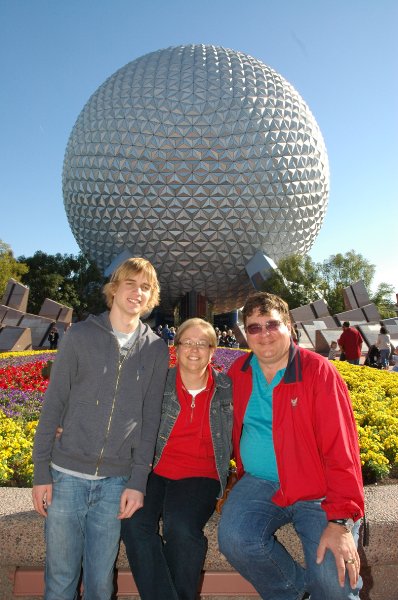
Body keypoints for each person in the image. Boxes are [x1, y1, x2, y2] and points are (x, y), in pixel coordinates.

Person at [31, 257, 169, 600]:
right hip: (66, 476)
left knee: (100, 583)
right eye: (130, 284)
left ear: (151, 297)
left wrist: (138, 481)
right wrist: (40, 472)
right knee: (60, 580)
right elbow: (54, 405)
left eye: (145, 287)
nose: (137, 293)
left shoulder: (155, 349)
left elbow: (150, 419)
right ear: (114, 288)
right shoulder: (79, 336)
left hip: (115, 483)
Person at [218, 292, 364, 600]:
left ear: (289, 326)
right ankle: (295, 591)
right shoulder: (238, 373)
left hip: (318, 490)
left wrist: (340, 520)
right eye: (254, 327)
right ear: (246, 334)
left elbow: (343, 449)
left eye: (272, 324)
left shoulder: (318, 372)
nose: (264, 334)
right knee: (235, 538)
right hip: (261, 483)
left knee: (333, 584)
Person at [121, 318, 233, 600]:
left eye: (202, 344)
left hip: (201, 474)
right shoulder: (158, 382)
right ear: (176, 346)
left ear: (212, 350)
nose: (194, 350)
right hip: (155, 468)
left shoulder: (228, 389)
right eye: (187, 342)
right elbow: (122, 413)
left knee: (181, 528)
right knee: (133, 523)